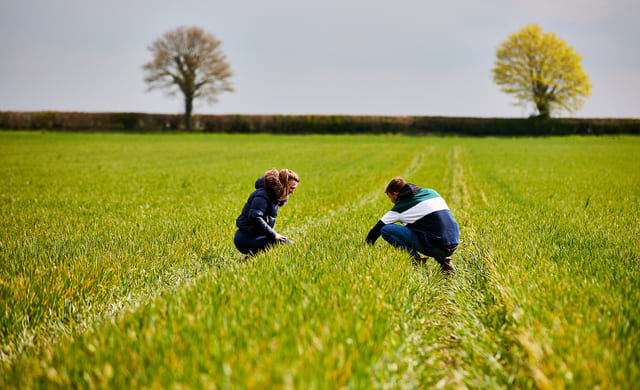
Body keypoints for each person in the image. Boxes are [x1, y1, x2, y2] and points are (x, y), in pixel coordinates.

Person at [365, 177, 459, 273]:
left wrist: (366, 247)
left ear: (396, 193)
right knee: (429, 228)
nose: (392, 201)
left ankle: (417, 261)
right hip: (454, 245)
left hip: (437, 248)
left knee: (386, 230)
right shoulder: (432, 193)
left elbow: (376, 230)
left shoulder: (400, 207)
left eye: (391, 197)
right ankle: (446, 262)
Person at [234, 168, 300, 257]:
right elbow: (255, 216)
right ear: (284, 185)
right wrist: (273, 234)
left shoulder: (273, 196)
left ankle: (249, 261)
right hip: (245, 238)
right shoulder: (263, 195)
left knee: (283, 245)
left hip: (255, 235)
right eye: (291, 188)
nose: (292, 192)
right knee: (286, 244)